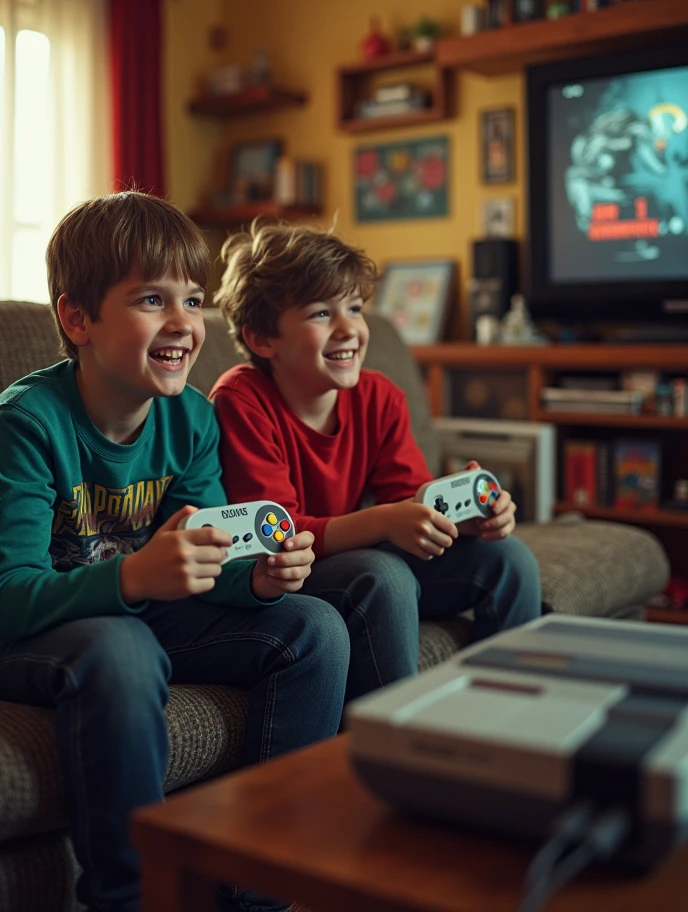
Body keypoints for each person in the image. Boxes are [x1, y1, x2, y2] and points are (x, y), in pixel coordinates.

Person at [0, 193, 350, 912]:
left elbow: (204, 559)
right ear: (77, 319)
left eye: (193, 301)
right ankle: (131, 899)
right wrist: (133, 575)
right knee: (123, 646)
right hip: (41, 627)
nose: (185, 324)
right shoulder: (27, 423)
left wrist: (254, 582)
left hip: (137, 609)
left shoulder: (190, 417)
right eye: (152, 300)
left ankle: (260, 889)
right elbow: (10, 592)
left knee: (314, 627)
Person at [211, 220, 542, 706]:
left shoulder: (379, 396)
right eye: (321, 313)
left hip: (353, 558)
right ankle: (394, 741)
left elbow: (408, 500)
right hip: (286, 575)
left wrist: (464, 521)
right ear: (263, 339)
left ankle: (511, 719)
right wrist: (388, 520)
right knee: (381, 573)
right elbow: (276, 535)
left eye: (355, 308)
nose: (349, 329)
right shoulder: (241, 400)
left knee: (508, 558)